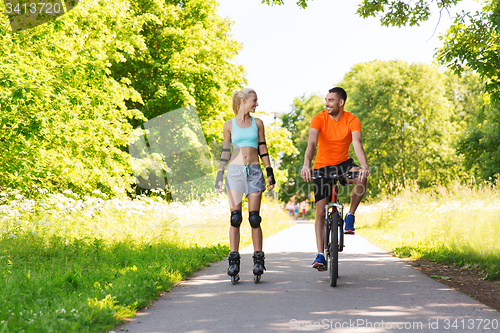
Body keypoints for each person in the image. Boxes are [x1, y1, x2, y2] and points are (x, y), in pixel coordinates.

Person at [300, 87, 369, 271]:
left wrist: (364, 166)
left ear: (341, 102)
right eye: (326, 100)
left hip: (344, 165)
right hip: (321, 167)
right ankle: (321, 254)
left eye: (331, 100)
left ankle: (350, 216)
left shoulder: (352, 120)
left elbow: (357, 144)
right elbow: (312, 143)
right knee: (321, 212)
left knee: (361, 180)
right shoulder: (319, 118)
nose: (327, 103)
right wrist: (306, 164)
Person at [215, 88, 276, 280]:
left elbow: (262, 147)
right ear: (243, 101)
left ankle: (258, 260)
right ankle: (234, 262)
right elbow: (226, 150)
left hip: (255, 171)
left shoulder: (258, 123)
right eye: (254, 100)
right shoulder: (229, 125)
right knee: (235, 218)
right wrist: (219, 173)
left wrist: (269, 171)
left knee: (254, 218)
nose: (257, 104)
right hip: (234, 172)